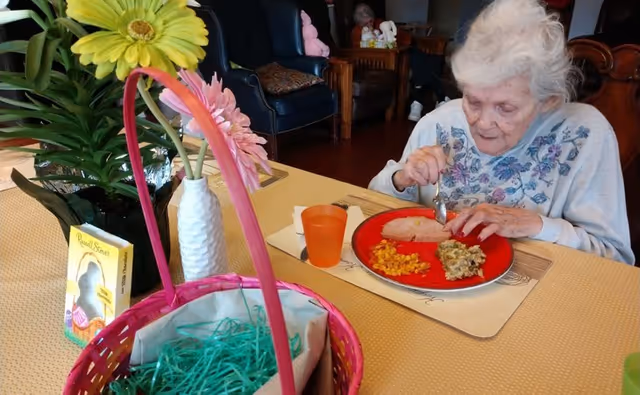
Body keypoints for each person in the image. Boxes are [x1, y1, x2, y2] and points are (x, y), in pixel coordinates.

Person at [369, 0, 634, 265]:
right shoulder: (439, 123)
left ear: (548, 100)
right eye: (472, 101)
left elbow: (616, 260)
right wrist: (401, 178)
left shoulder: (584, 135)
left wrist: (538, 226)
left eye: (505, 108)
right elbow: (372, 206)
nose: (482, 123)